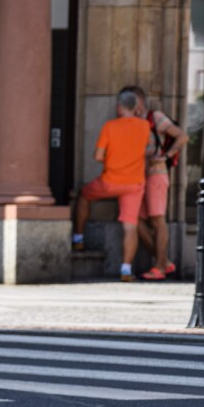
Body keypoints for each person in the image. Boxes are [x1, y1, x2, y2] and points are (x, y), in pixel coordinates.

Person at [72, 88, 150, 281]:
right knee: (130, 226)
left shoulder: (110, 126)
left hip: (110, 181)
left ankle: (79, 238)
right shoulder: (145, 126)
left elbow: (98, 156)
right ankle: (125, 269)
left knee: (84, 195)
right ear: (137, 107)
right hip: (134, 183)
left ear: (118, 107)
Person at [122, 86, 188, 280]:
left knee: (157, 219)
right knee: (137, 220)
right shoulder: (129, 121)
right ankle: (165, 262)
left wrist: (165, 155)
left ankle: (159, 267)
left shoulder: (155, 117)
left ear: (140, 101)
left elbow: (182, 136)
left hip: (156, 174)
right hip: (137, 175)